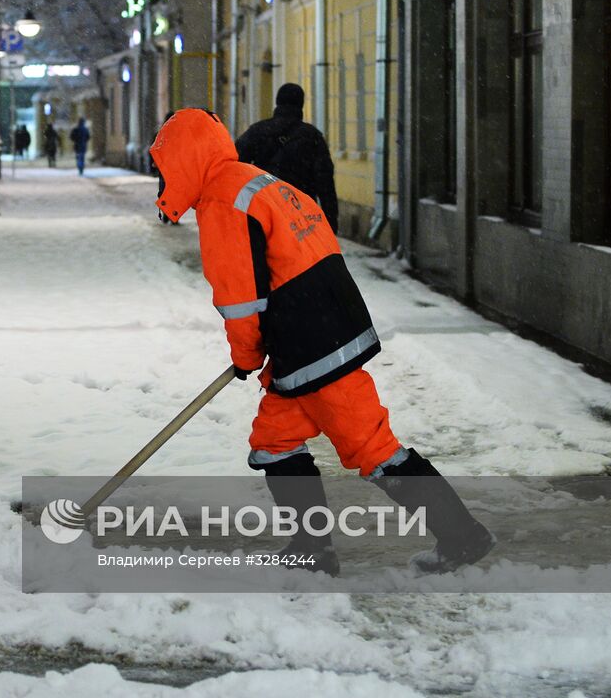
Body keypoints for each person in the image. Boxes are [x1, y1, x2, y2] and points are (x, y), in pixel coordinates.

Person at [149, 108, 493, 577]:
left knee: (373, 448)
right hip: (320, 328)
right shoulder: (255, 181)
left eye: (166, 165)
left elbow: (240, 299)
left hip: (312, 343)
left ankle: (463, 535)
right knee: (275, 441)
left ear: (184, 159)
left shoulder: (223, 202)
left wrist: (246, 355)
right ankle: (311, 549)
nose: (165, 176)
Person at [235, 83, 340, 235]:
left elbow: (236, 167)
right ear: (301, 104)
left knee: (263, 247)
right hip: (300, 215)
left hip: (263, 208)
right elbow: (325, 183)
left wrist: (240, 209)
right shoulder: (312, 137)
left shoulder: (257, 131)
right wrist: (330, 223)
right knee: (296, 249)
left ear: (277, 102)